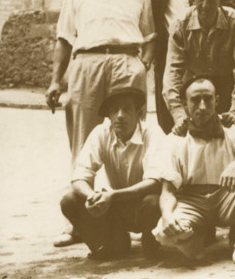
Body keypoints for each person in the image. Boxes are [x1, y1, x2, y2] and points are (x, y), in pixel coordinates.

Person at [66, 0, 231, 135]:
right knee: (171, 124)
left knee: (211, 120)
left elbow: (228, 14)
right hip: (170, 61)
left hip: (208, 60)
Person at [48, 0, 154, 247]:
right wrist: (55, 80)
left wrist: (142, 65)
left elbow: (150, 37)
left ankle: (137, 216)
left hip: (126, 61)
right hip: (87, 63)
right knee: (84, 140)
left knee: (131, 138)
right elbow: (65, 39)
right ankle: (80, 222)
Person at [153, 75, 235, 272]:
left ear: (217, 101)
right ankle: (195, 244)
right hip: (192, 201)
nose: (202, 106)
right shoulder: (175, 138)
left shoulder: (233, 127)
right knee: (164, 233)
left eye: (208, 99)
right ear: (184, 103)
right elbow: (168, 190)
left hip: (227, 197)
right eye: (195, 100)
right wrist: (166, 215)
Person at [59, 87, 162, 259]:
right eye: (114, 110)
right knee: (70, 201)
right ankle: (111, 243)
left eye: (127, 109)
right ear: (108, 116)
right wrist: (91, 197)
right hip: (115, 207)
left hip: (143, 203)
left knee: (153, 202)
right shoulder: (101, 133)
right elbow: (79, 177)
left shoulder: (152, 133)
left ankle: (151, 239)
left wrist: (113, 196)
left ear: (139, 113)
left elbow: (155, 181)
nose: (120, 115)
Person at [163, 0, 235, 137]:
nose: (205, 5)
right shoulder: (180, 24)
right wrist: (179, 114)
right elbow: (172, 72)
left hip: (227, 87)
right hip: (194, 86)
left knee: (231, 135)